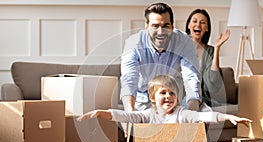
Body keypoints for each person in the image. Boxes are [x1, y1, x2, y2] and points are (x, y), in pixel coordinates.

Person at [120, 3, 202, 115]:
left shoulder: (184, 42)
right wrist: (129, 114)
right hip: (144, 101)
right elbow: (129, 79)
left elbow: (191, 77)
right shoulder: (133, 43)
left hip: (173, 101)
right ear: (146, 26)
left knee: (201, 117)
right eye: (155, 26)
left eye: (166, 26)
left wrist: (194, 113)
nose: (160, 32)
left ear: (172, 27)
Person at [77, 75, 251, 126]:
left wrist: (228, 117)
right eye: (163, 93)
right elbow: (126, 116)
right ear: (152, 97)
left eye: (172, 93)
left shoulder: (181, 114)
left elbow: (202, 117)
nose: (168, 96)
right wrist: (101, 113)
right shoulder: (147, 115)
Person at [185, 9, 231, 107]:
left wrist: (217, 48)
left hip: (201, 98)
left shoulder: (210, 51)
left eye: (203, 22)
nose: (198, 25)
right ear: (189, 25)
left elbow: (214, 82)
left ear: (206, 28)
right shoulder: (179, 46)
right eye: (194, 21)